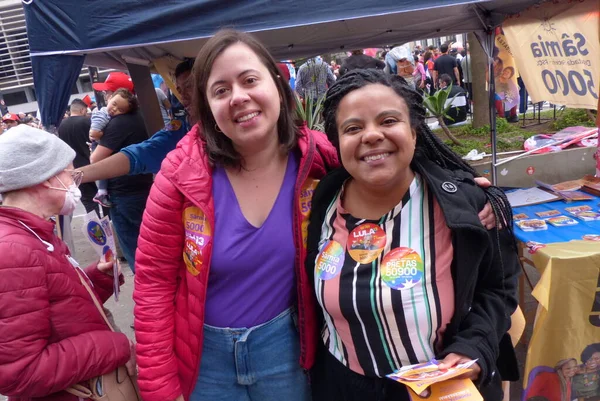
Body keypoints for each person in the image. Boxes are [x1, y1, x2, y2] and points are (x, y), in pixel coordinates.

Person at [133, 29, 339, 401]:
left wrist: (472, 194)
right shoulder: (179, 175)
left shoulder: (318, 158)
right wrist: (161, 390)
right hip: (202, 361)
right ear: (207, 107)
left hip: (288, 352)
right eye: (220, 90)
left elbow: (392, 166)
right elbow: (153, 286)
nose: (238, 97)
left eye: (249, 80)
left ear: (278, 84)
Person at [306, 69, 519, 401]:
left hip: (440, 388)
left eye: (388, 121)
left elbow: (499, 288)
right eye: (353, 128)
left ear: (415, 132)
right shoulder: (324, 202)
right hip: (342, 386)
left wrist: (473, 348)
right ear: (337, 142)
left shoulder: (466, 205)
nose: (372, 135)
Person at [0, 125, 134, 400]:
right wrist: (115, 346)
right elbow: (19, 372)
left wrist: (96, 278)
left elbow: (54, 305)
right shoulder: (13, 250)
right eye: (69, 173)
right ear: (45, 178)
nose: (74, 181)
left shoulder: (33, 232)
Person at [78, 59, 194, 183]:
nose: (183, 95)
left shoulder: (118, 122)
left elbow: (97, 158)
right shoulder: (180, 126)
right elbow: (143, 151)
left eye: (190, 87)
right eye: (179, 90)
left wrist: (76, 176)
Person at [90, 75, 152, 273]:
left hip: (123, 194)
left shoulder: (118, 124)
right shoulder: (144, 115)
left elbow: (95, 159)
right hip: (145, 186)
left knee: (136, 250)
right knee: (152, 244)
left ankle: (149, 295)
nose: (106, 96)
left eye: (108, 92)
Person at [89, 88, 139, 208]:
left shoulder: (114, 120)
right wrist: (99, 135)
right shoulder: (103, 114)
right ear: (110, 98)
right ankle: (101, 192)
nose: (114, 109)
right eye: (114, 104)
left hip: (123, 190)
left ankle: (101, 192)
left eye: (120, 110)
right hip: (127, 188)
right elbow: (93, 133)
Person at [58, 98, 102, 215]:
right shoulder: (87, 122)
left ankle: (97, 229)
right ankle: (109, 223)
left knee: (89, 201)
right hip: (94, 163)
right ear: (82, 110)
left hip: (75, 167)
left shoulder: (61, 126)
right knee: (104, 197)